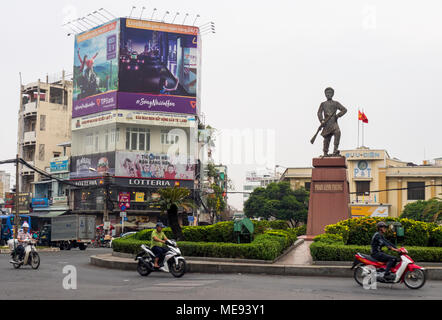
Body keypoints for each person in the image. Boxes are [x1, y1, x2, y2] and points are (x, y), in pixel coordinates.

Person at [317, 87, 347, 157]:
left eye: (330, 93)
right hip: (326, 123)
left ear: (333, 94)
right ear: (325, 94)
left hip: (334, 123)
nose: (328, 94)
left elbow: (344, 110)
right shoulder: (323, 104)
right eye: (327, 93)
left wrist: (338, 115)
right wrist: (322, 120)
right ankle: (325, 152)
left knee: (338, 133)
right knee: (326, 139)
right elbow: (319, 113)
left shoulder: (336, 103)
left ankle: (335, 151)